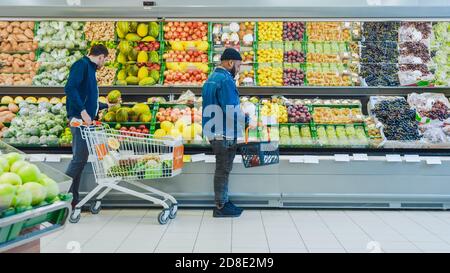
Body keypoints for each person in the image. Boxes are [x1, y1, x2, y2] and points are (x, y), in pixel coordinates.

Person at [202, 48, 247, 218]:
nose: (239, 69)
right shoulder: (226, 80)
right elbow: (232, 110)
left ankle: (224, 201)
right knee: (223, 169)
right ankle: (221, 206)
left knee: (223, 168)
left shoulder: (211, 79)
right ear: (230, 63)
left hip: (213, 131)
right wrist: (247, 120)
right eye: (239, 65)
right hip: (224, 134)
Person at [64, 44, 109, 208]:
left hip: (85, 120)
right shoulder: (81, 65)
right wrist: (82, 111)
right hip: (79, 120)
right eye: (105, 60)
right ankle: (59, 196)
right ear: (101, 57)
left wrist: (105, 106)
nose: (104, 63)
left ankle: (73, 201)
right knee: (78, 160)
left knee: (80, 161)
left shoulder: (90, 69)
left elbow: (88, 96)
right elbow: (70, 88)